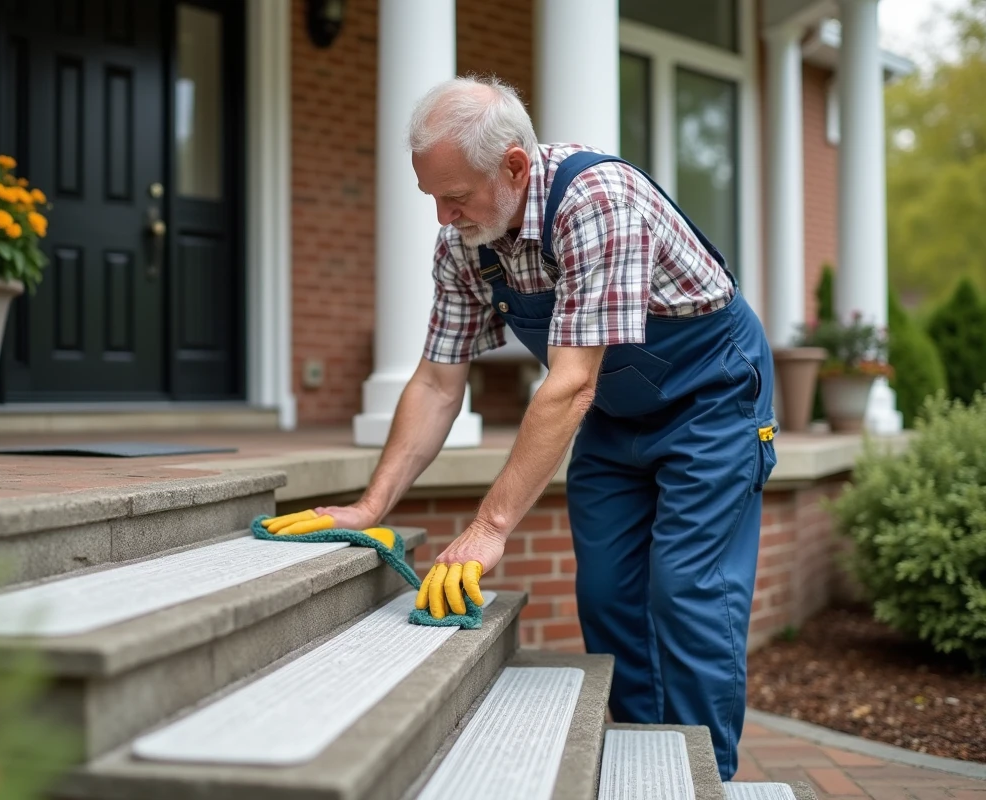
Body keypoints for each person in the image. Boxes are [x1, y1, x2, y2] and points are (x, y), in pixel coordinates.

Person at [273, 75, 777, 781]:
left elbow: (569, 383)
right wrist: (371, 503)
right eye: (433, 199)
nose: (443, 218)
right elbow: (436, 380)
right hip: (611, 410)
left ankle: (701, 777)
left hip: (712, 399)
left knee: (686, 589)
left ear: (514, 165)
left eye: (454, 197)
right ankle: (645, 760)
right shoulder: (467, 242)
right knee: (607, 594)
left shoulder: (598, 201)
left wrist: (490, 526)